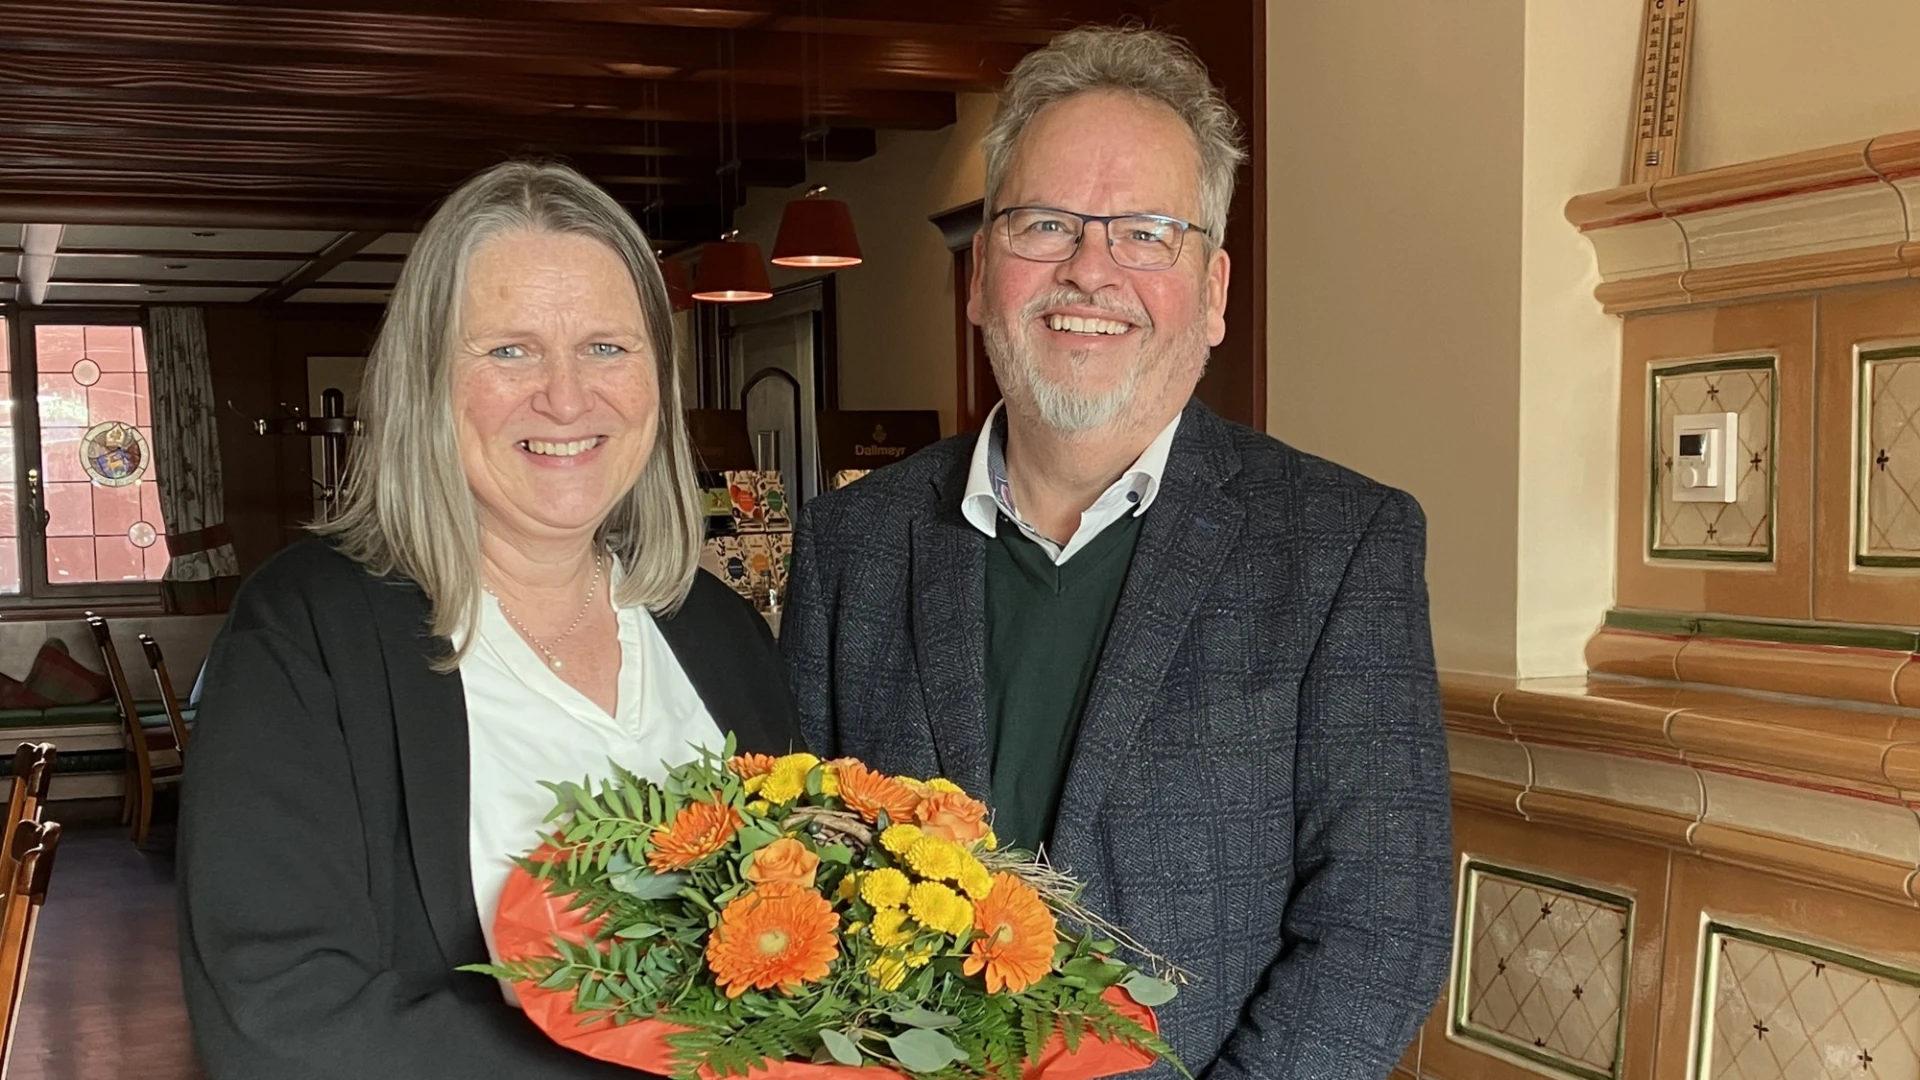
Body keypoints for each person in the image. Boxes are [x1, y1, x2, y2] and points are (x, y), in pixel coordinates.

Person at [783, 26, 1452, 1079]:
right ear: (979, 275)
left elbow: (1381, 931)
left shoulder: (1340, 546)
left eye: (1147, 233)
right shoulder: (851, 543)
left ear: (1214, 291)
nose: (1090, 271)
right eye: (1045, 224)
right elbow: (800, 873)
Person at [177, 161, 803, 1079]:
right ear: (427, 380)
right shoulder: (307, 630)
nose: (566, 397)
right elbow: (278, 1016)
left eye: (607, 347)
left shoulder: (717, 629)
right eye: (510, 350)